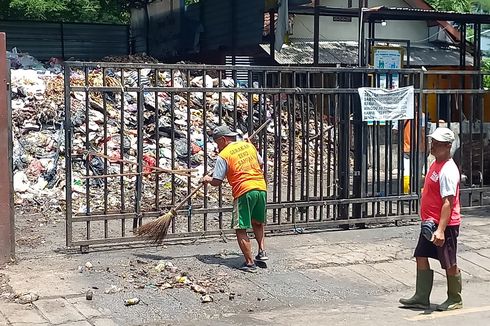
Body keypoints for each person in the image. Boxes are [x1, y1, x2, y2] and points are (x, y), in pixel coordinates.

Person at [399, 127, 463, 311]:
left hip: (444, 225)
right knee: (421, 254)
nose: (433, 146)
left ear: (448, 146)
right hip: (430, 222)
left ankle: (455, 298)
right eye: (432, 142)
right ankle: (421, 296)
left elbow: (448, 203)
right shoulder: (435, 164)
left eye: (437, 144)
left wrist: (441, 230)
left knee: (448, 262)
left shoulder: (448, 170)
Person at [201, 125, 268, 273]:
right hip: (260, 187)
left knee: (240, 227)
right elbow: (261, 163)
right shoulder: (248, 146)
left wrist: (207, 179)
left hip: (244, 191)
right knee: (257, 222)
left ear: (223, 139)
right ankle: (262, 252)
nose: (217, 147)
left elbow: (217, 182)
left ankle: (250, 263)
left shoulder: (224, 155)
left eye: (217, 143)